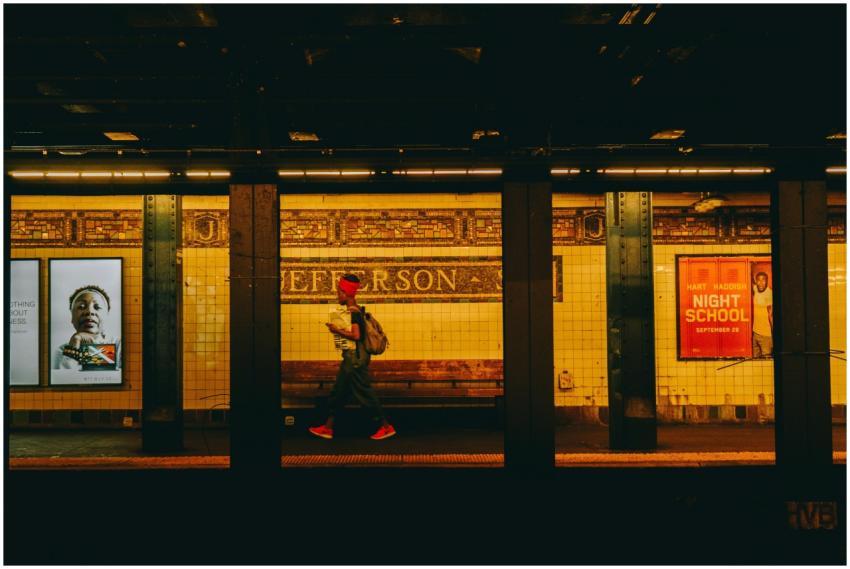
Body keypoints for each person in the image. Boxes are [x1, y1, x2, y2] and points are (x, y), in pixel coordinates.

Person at [309, 274, 396, 440]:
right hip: (352, 359)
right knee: (339, 393)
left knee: (365, 394)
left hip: (356, 361)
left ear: (345, 293)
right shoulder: (355, 309)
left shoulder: (354, 312)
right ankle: (328, 428)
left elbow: (356, 336)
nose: (337, 295)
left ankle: (385, 427)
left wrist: (336, 330)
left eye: (338, 292)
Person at [53, 285, 121, 370]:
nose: (89, 311)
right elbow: (64, 379)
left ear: (106, 317)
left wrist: (94, 348)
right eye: (81, 307)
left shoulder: (120, 346)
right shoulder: (61, 352)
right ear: (72, 317)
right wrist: (75, 342)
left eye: (97, 307)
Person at [752, 271, 773, 358]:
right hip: (755, 333)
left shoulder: (769, 294)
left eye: (763, 280)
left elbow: (771, 315)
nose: (760, 283)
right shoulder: (755, 288)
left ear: (767, 281)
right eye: (758, 280)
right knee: (755, 363)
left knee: (766, 360)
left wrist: (773, 335)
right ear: (756, 281)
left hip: (766, 335)